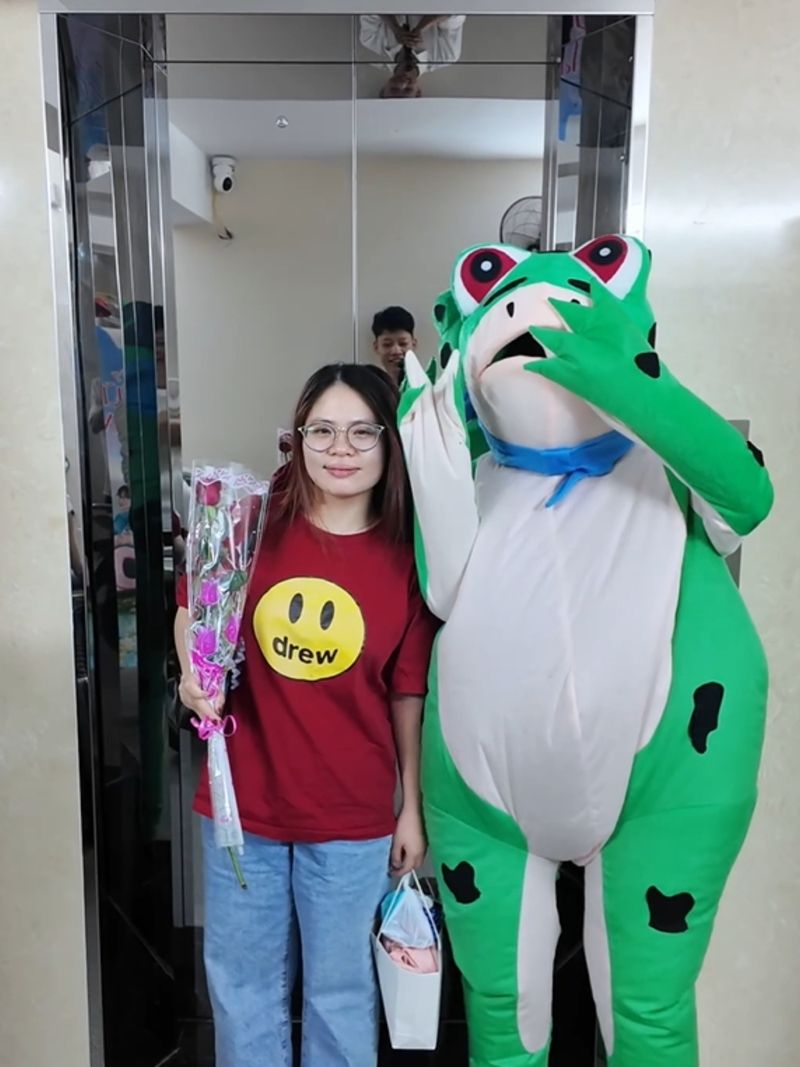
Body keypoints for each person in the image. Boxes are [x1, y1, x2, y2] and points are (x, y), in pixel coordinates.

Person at [174, 363, 439, 1067]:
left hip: (352, 814)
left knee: (342, 992)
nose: (340, 449)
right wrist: (193, 676)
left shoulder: (409, 556)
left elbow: (407, 691)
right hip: (243, 805)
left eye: (361, 432)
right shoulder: (251, 526)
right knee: (243, 988)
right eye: (321, 430)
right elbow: (194, 605)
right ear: (298, 437)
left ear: (389, 443)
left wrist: (410, 808)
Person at [360, 15, 466, 98]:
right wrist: (424, 26)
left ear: (383, 90)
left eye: (394, 89)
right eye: (408, 90)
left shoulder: (371, 49)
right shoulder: (446, 56)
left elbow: (367, 7)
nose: (402, 84)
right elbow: (456, 13)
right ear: (418, 92)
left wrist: (395, 28)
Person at [371, 305, 417, 385]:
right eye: (387, 345)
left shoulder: (427, 385)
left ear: (414, 344)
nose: (396, 351)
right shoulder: (370, 387)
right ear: (376, 347)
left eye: (403, 344)